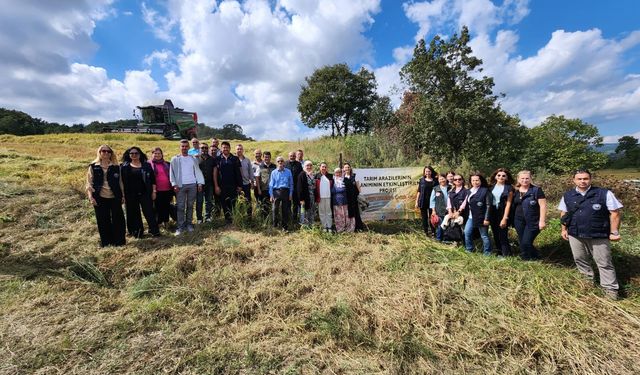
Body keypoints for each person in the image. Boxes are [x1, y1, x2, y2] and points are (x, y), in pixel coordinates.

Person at [559, 169, 623, 300]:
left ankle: (610, 290)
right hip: (575, 234)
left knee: (604, 262)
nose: (582, 181)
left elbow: (615, 213)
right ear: (574, 180)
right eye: (579, 179)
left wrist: (614, 232)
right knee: (580, 259)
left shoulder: (603, 193)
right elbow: (564, 214)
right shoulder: (568, 195)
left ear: (590, 179)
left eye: (585, 178)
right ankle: (586, 283)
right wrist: (564, 229)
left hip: (598, 234)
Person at [86, 145, 126, 247]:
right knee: (103, 220)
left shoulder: (117, 167)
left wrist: (123, 195)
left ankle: (119, 241)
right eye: (103, 151)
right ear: (99, 152)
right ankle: (106, 242)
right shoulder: (93, 166)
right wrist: (91, 197)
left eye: (109, 151)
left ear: (111, 154)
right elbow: (89, 184)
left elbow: (120, 182)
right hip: (99, 197)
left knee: (118, 219)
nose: (106, 153)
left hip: (115, 196)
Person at [120, 146, 160, 238]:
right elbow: (121, 182)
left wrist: (154, 192)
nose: (134, 155)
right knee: (133, 213)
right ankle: (137, 233)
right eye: (132, 153)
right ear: (129, 155)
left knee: (149, 212)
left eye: (136, 153)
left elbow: (153, 180)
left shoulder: (146, 165)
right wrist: (123, 195)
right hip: (130, 194)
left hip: (145, 193)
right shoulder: (124, 167)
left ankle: (154, 231)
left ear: (140, 154)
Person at [170, 139, 204, 235]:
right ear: (180, 147)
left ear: (189, 147)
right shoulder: (175, 159)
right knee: (180, 206)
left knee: (190, 206)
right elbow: (171, 173)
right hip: (180, 186)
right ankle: (180, 226)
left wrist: (200, 183)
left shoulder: (193, 158)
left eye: (186, 146)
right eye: (182, 146)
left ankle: (189, 224)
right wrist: (174, 184)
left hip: (192, 184)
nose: (184, 148)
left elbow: (197, 171)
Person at [512, 170, 547, 260]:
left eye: (527, 178)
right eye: (522, 178)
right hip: (518, 220)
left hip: (533, 220)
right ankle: (535, 255)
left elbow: (543, 206)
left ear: (530, 179)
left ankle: (526, 259)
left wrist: (542, 221)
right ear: (518, 179)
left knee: (526, 242)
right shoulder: (515, 190)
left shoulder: (536, 190)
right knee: (522, 241)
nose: (525, 180)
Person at [463, 172, 492, 255]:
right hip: (471, 217)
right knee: (467, 232)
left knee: (484, 235)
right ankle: (469, 249)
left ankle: (487, 252)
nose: (475, 182)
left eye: (477, 180)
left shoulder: (485, 191)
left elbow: (488, 206)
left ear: (481, 181)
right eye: (473, 180)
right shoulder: (469, 191)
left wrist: (486, 218)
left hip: (482, 217)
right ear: (470, 181)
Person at [214, 141, 242, 223]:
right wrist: (216, 186)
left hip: (233, 185)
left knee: (233, 202)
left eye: (227, 147)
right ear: (221, 149)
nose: (225, 149)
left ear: (229, 148)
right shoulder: (217, 159)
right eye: (223, 147)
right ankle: (227, 220)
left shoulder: (235, 159)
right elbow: (215, 173)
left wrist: (239, 185)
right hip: (222, 185)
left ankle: (235, 219)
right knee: (224, 202)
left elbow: (238, 173)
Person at [489, 168, 514, 257]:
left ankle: (506, 254)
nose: (501, 177)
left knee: (503, 234)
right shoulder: (491, 187)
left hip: (503, 212)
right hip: (492, 213)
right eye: (499, 175)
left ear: (507, 178)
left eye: (504, 176)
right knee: (495, 233)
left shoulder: (509, 188)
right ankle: (499, 252)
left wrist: (504, 218)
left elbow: (509, 203)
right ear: (495, 176)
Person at [150, 147, 173, 229]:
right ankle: (159, 223)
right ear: (152, 154)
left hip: (167, 189)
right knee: (158, 207)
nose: (157, 155)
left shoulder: (167, 164)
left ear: (162, 154)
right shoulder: (149, 165)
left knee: (166, 206)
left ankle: (166, 222)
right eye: (155, 153)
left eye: (159, 153)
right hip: (156, 190)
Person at [269, 156, 294, 230]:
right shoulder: (273, 172)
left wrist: (290, 194)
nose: (280, 162)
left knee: (285, 210)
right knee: (275, 209)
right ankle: (275, 225)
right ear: (276, 163)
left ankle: (284, 226)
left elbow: (291, 184)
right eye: (278, 161)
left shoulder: (288, 171)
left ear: (284, 162)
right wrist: (271, 195)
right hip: (276, 192)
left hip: (286, 192)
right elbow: (271, 185)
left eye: (281, 161)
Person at [197, 143, 216, 223]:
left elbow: (215, 171)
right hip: (199, 184)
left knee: (209, 201)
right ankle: (199, 218)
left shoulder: (212, 159)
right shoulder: (196, 159)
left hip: (209, 183)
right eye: (202, 148)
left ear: (207, 149)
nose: (204, 149)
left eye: (205, 148)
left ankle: (208, 216)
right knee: (199, 201)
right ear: (199, 149)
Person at [333, 167, 356, 233]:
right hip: (336, 202)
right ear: (334, 173)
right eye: (336, 172)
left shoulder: (345, 180)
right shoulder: (332, 181)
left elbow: (351, 189)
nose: (338, 174)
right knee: (338, 217)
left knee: (346, 217)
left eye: (339, 172)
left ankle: (348, 229)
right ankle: (340, 230)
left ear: (341, 173)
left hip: (345, 201)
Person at [415, 166, 436, 237]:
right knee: (424, 218)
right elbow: (419, 191)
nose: (427, 173)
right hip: (423, 201)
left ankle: (433, 232)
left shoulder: (435, 180)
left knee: (432, 217)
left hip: (432, 202)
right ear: (424, 172)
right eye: (426, 171)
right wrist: (416, 201)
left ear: (431, 172)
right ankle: (426, 232)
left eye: (429, 171)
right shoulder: (422, 180)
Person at [342, 163, 364, 231]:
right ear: (343, 169)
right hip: (346, 198)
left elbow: (359, 189)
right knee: (349, 213)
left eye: (348, 167)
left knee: (356, 212)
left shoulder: (354, 176)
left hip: (353, 198)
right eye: (346, 167)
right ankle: (350, 227)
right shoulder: (342, 178)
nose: (347, 169)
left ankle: (358, 227)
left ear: (350, 168)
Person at [255, 151, 276, 218]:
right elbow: (257, 179)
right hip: (263, 189)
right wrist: (259, 189)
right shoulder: (260, 167)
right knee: (264, 206)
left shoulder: (274, 166)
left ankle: (272, 220)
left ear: (270, 158)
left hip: (273, 190)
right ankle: (264, 220)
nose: (267, 158)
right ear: (263, 157)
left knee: (273, 206)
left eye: (268, 157)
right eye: (265, 157)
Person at [430, 174, 450, 241]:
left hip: (449, 210)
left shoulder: (450, 187)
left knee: (448, 225)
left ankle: (447, 239)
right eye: (440, 179)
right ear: (438, 180)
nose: (442, 180)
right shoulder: (435, 189)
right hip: (439, 210)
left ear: (446, 179)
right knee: (440, 225)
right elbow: (432, 201)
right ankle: (439, 239)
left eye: (443, 178)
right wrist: (433, 210)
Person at [297, 160, 317, 227]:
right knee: (304, 212)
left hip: (312, 197)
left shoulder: (313, 175)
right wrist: (301, 199)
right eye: (307, 165)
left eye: (310, 165)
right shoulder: (302, 175)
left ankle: (311, 226)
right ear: (304, 166)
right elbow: (299, 188)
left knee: (311, 211)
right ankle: (304, 227)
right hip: (305, 198)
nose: (309, 167)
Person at [237, 144, 255, 216]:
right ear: (236, 150)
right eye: (238, 149)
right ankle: (240, 216)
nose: (239, 150)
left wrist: (252, 182)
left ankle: (249, 217)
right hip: (237, 185)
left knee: (248, 201)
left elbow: (250, 171)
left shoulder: (247, 160)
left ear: (243, 150)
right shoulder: (233, 159)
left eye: (240, 149)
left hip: (246, 184)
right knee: (240, 202)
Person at [285, 151, 303, 224]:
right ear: (288, 156)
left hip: (296, 188)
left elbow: (301, 175)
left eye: (293, 156)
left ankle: (295, 220)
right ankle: (289, 220)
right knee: (288, 204)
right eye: (290, 156)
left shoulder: (299, 164)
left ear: (295, 156)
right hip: (287, 187)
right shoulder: (285, 164)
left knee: (296, 204)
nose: (292, 157)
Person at [316, 162, 334, 231]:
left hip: (329, 197)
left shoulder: (330, 176)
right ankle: (324, 226)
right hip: (320, 197)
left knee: (329, 212)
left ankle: (329, 226)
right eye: (322, 167)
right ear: (320, 168)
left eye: (325, 167)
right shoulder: (316, 176)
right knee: (322, 212)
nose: (324, 168)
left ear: (327, 168)